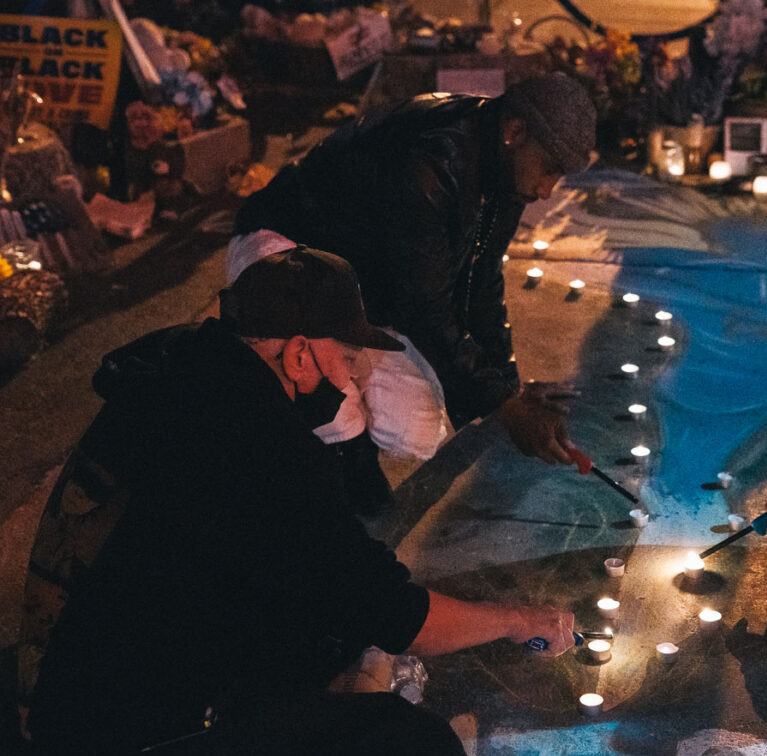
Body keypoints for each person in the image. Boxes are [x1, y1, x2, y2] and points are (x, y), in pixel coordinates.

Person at [21, 246, 576, 756]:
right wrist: (518, 619)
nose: (353, 384)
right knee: (410, 751)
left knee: (330, 655)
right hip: (132, 751)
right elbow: (396, 614)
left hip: (64, 698)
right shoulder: (264, 446)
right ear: (300, 356)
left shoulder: (172, 380)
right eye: (350, 363)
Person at [230, 72, 598, 512]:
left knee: (418, 429)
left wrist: (507, 386)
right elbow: (427, 307)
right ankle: (325, 421)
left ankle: (342, 361)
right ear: (515, 132)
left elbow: (481, 284)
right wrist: (507, 407)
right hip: (287, 254)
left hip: (365, 283)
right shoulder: (430, 162)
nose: (546, 191)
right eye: (550, 170)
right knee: (327, 404)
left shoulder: (504, 166)